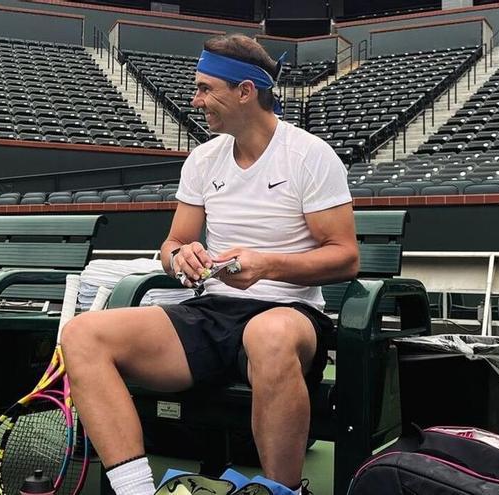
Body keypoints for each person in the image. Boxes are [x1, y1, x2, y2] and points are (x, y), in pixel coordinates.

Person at [61, 33, 358, 495]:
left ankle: (282, 491)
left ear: (245, 91)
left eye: (205, 88)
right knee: (82, 334)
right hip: (211, 312)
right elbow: (174, 243)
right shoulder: (202, 159)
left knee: (269, 334)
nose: (195, 100)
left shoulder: (309, 155)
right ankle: (137, 491)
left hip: (289, 316)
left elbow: (345, 256)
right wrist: (181, 257)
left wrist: (267, 266)